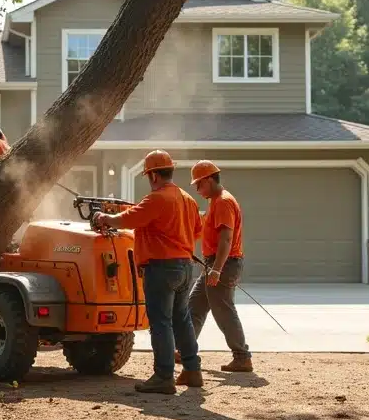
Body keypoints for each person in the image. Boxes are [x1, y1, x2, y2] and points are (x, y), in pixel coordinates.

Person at [93, 150, 203, 394]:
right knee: (181, 319)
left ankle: (164, 376)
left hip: (161, 268)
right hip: (185, 267)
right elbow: (197, 231)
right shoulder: (187, 199)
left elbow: (127, 220)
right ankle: (193, 370)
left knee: (161, 323)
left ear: (153, 175)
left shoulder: (156, 199)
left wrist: (103, 217)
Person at [175, 160, 253, 372]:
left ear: (209, 180)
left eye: (198, 185)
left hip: (224, 265)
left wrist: (217, 269)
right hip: (214, 264)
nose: (197, 190)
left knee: (224, 311)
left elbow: (226, 239)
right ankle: (185, 350)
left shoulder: (223, 202)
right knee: (195, 307)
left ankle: (242, 356)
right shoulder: (216, 202)